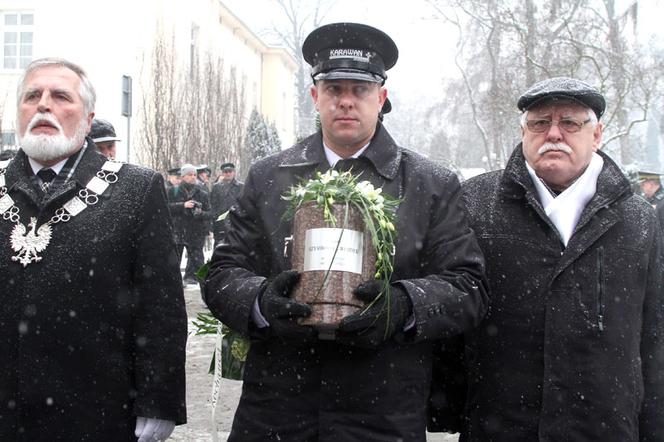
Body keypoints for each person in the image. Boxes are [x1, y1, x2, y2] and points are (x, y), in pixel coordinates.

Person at [203, 22, 488, 441]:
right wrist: (262, 302)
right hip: (278, 408)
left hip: (383, 408)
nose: (347, 102)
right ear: (316, 96)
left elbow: (468, 287)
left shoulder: (429, 183)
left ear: (382, 98)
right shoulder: (268, 177)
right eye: (335, 89)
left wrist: (403, 306)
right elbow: (223, 272)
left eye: (361, 90)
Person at [458, 77, 664, 441]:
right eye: (540, 122)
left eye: (569, 122)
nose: (554, 133)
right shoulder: (476, 203)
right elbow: (456, 314)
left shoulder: (638, 218)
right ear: (523, 132)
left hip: (605, 426)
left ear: (597, 134)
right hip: (500, 423)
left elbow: (653, 334)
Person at [0, 58, 187, 441]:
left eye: (61, 96)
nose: (44, 105)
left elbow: (160, 307)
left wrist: (158, 399)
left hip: (96, 410)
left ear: (88, 119)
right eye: (32, 96)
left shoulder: (135, 190)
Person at [167, 163, 211, 286]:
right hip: (178, 232)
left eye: (194, 175)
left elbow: (210, 213)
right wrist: (182, 205)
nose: (193, 177)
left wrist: (200, 213)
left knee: (200, 265)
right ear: (183, 176)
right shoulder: (172, 191)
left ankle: (207, 289)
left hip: (195, 233)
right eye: (189, 175)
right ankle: (173, 290)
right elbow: (165, 209)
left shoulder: (202, 193)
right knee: (174, 263)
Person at [209, 162, 243, 246]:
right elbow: (213, 205)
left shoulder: (241, 186)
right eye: (225, 172)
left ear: (234, 172)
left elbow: (244, 204)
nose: (228, 174)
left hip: (236, 222)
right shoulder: (216, 187)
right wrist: (214, 219)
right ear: (222, 173)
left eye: (230, 171)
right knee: (219, 248)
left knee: (237, 248)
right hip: (220, 223)